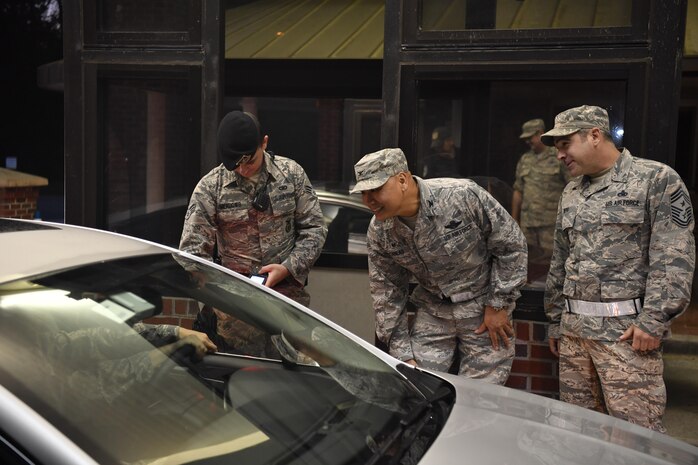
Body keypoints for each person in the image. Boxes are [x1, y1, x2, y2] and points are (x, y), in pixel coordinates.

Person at [543, 105, 695, 432]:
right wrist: (555, 320)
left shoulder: (655, 179)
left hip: (625, 336)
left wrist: (654, 320)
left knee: (636, 436)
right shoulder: (571, 192)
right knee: (578, 432)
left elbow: (673, 255)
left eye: (565, 144)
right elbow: (561, 259)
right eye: (557, 148)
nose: (560, 155)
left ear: (595, 135)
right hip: (574, 335)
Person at [352, 148, 528, 384]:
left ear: (402, 180)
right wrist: (402, 352)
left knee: (482, 399)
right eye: (363, 192)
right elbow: (387, 292)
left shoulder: (461, 196)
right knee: (416, 389)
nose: (368, 200)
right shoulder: (380, 230)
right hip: (433, 311)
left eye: (375, 189)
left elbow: (511, 247)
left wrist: (499, 305)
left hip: (484, 310)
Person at [180, 110, 327, 354]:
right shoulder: (210, 187)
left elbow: (314, 230)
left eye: (249, 161)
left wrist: (288, 267)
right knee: (241, 382)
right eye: (235, 164)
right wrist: (219, 295)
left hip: (288, 307)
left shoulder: (291, 175)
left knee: (293, 383)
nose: (243, 169)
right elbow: (192, 253)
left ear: (264, 143)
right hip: (235, 316)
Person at [512, 118, 571, 269]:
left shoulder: (558, 157)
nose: (527, 142)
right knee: (526, 264)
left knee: (551, 266)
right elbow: (518, 190)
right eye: (525, 139)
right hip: (527, 224)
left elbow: (572, 188)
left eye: (530, 137)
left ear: (540, 133)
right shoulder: (525, 159)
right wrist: (514, 220)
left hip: (550, 225)